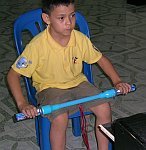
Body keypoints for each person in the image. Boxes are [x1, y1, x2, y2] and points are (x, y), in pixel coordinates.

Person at [7, 0, 131, 150]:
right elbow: (13, 75)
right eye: (61, 18)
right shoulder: (36, 46)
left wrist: (117, 81)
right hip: (49, 88)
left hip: (78, 83)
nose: (69, 23)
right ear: (47, 19)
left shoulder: (80, 39)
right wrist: (22, 104)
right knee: (60, 117)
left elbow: (101, 59)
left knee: (104, 107)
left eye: (72, 16)